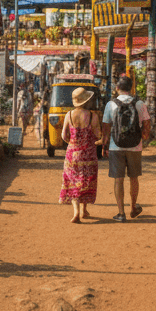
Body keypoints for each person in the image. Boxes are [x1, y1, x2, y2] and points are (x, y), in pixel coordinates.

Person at [101, 75, 151, 222]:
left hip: (115, 146)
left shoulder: (111, 104)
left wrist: (104, 146)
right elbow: (147, 124)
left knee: (118, 180)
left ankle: (121, 213)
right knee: (134, 178)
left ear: (117, 88)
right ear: (132, 88)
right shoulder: (140, 104)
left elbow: (106, 128)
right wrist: (144, 137)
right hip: (135, 146)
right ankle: (133, 207)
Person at [58, 86, 101, 223]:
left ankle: (77, 211)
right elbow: (98, 135)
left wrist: (72, 143)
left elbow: (64, 135)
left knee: (73, 181)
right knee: (86, 181)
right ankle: (83, 210)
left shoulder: (69, 115)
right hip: (88, 154)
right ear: (86, 101)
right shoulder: (93, 116)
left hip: (72, 154)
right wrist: (96, 142)